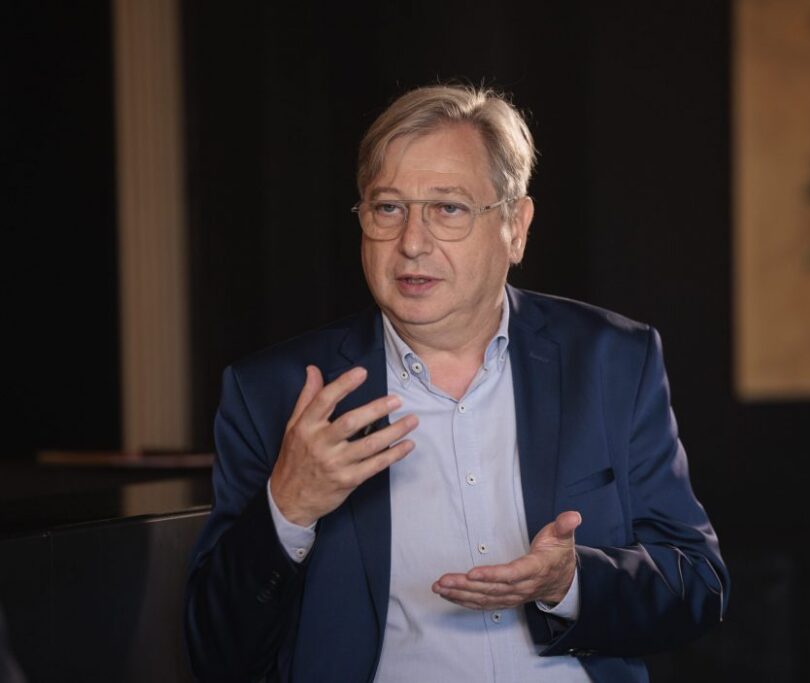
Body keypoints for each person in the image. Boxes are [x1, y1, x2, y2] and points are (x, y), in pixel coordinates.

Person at [185, 85, 728, 683]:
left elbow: (698, 585)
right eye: (387, 208)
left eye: (448, 208)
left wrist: (571, 583)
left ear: (515, 226)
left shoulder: (611, 361)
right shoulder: (274, 393)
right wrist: (288, 508)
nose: (412, 243)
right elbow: (215, 652)